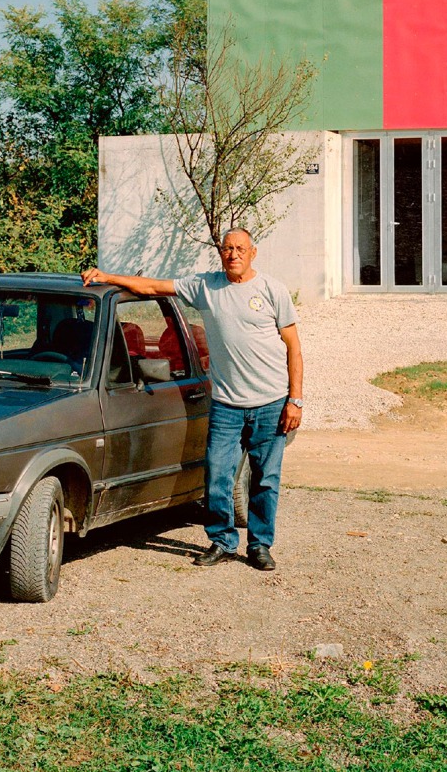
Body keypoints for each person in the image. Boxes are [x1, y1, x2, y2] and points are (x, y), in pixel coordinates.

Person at [81, 228, 303, 571]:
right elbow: (153, 286)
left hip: (271, 402)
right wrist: (106, 276)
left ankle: (259, 546)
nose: (233, 254)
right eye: (228, 248)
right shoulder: (205, 286)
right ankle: (223, 542)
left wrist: (295, 400)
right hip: (227, 403)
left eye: (240, 248)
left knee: (265, 479)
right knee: (216, 474)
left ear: (253, 252)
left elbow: (294, 349)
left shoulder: (272, 290)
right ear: (221, 253)